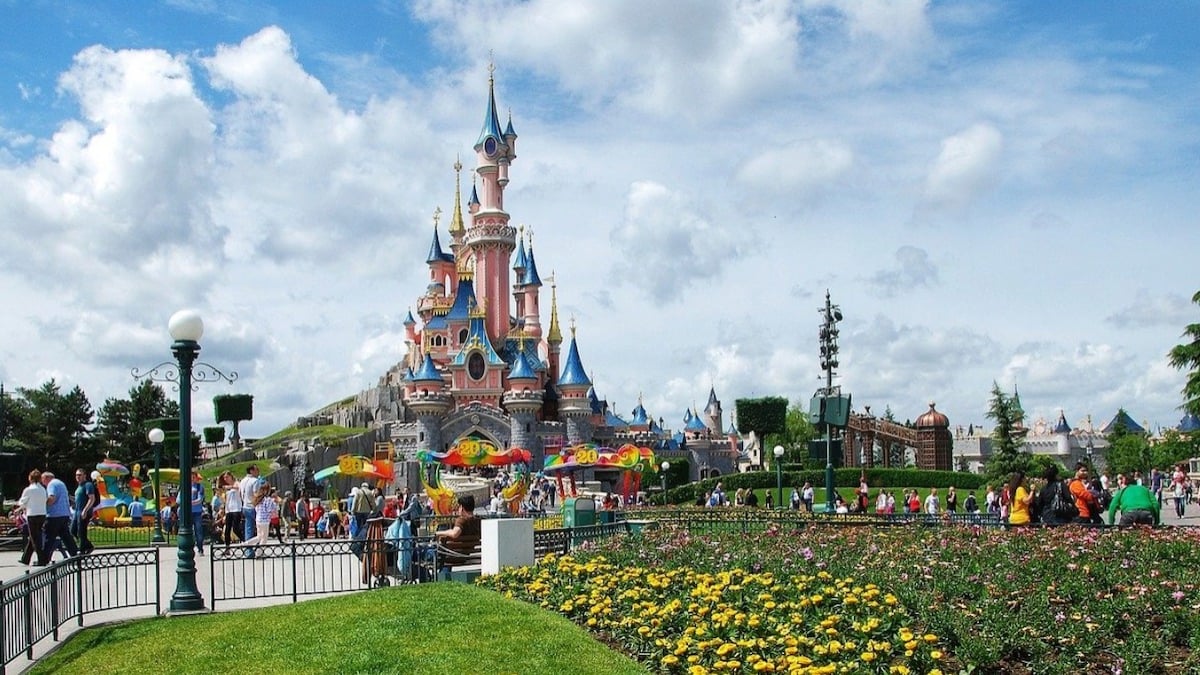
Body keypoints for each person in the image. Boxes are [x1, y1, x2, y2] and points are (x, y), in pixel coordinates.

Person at [41, 471, 79, 560]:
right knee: (66, 536)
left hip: (54, 515)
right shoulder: (61, 483)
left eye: (42, 480)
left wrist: (43, 504)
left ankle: (44, 558)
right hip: (64, 514)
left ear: (46, 478)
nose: (43, 483)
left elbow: (52, 498)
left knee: (48, 536)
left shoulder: (51, 484)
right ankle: (75, 553)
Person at [19, 469, 50, 566]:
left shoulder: (28, 489)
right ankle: (25, 558)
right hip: (42, 514)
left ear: (30, 478)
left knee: (34, 538)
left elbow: (22, 502)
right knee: (35, 536)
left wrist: (21, 506)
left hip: (32, 514)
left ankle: (42, 559)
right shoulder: (43, 489)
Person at [72, 468, 98, 554]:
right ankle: (89, 545)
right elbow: (77, 499)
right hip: (77, 511)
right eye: (76, 475)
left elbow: (92, 499)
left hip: (83, 511)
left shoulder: (88, 485)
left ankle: (82, 551)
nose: (78, 477)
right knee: (73, 530)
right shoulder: (79, 487)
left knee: (81, 532)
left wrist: (85, 510)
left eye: (80, 475)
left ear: (84, 476)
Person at [246, 483, 277, 551]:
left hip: (258, 519)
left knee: (259, 536)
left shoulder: (258, 499)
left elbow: (256, 509)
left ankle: (247, 543)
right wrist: (274, 503)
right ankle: (259, 553)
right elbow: (269, 510)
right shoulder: (268, 499)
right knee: (264, 538)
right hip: (265, 520)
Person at [239, 465, 261, 547]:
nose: (258, 472)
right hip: (254, 507)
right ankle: (259, 549)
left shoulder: (243, 481)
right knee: (260, 529)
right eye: (257, 470)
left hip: (245, 506)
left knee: (248, 528)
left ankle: (248, 550)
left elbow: (240, 494)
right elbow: (256, 495)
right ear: (251, 471)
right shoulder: (255, 481)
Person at [190, 472, 206, 554]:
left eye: (194, 477)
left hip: (197, 512)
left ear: (196, 478)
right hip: (188, 513)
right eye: (191, 477)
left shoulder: (200, 487)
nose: (192, 479)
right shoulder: (184, 487)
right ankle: (190, 548)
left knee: (198, 531)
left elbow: (200, 500)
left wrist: (189, 502)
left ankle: (200, 548)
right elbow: (179, 499)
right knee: (189, 531)